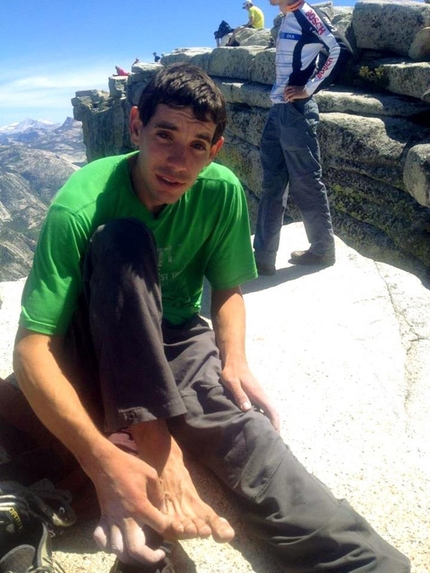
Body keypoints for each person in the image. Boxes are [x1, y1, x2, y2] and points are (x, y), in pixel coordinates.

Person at [9, 63, 410, 573]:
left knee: (247, 433)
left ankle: (364, 562)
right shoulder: (81, 204)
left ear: (216, 150)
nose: (179, 160)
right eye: (165, 135)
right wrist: (99, 460)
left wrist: (235, 358)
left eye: (198, 144)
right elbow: (31, 349)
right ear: (135, 127)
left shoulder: (220, 191)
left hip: (174, 339)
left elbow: (227, 289)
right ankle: (155, 457)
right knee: (122, 241)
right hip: (94, 337)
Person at [253, 0, 352, 275]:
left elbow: (340, 48)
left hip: (296, 111)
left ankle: (321, 250)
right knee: (272, 183)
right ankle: (262, 258)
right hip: (279, 110)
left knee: (306, 181)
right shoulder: (288, 15)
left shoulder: (306, 13)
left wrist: (309, 88)